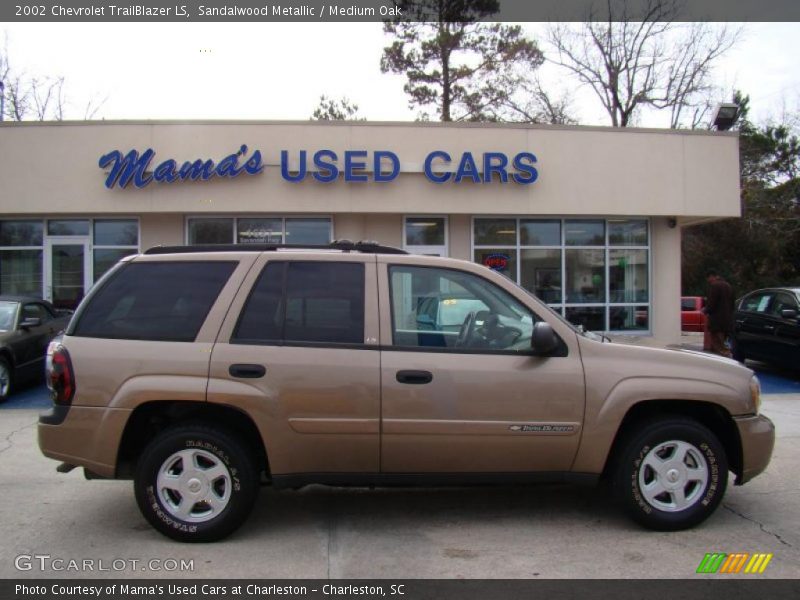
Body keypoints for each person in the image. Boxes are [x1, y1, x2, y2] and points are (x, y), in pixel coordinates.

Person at [703, 270, 734, 358]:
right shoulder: (728, 285)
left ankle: (723, 358)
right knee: (723, 340)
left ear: (712, 276)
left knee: (718, 343)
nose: (708, 280)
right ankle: (725, 355)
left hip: (716, 320)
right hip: (727, 319)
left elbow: (712, 303)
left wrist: (706, 310)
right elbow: (732, 303)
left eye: (708, 278)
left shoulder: (715, 286)